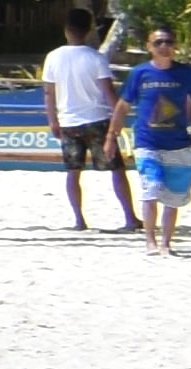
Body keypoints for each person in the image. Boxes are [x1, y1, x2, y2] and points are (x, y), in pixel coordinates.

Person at [119, 33, 191, 254]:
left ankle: (165, 243)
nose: (164, 46)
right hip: (146, 143)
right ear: (149, 46)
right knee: (151, 190)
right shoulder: (139, 73)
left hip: (178, 143)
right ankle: (150, 240)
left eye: (168, 42)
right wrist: (111, 135)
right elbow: (123, 105)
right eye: (158, 42)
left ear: (175, 46)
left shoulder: (186, 73)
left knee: (173, 196)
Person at [44, 15, 135, 231]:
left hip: (68, 122)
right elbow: (108, 92)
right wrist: (119, 116)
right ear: (88, 31)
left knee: (73, 172)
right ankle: (130, 218)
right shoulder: (96, 58)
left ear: (66, 30)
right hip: (97, 120)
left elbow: (48, 93)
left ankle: (79, 220)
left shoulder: (53, 57)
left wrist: (52, 121)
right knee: (116, 170)